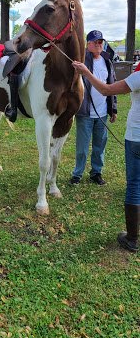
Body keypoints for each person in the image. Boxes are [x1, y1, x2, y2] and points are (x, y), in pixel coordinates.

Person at [72, 59, 140, 253]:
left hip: (137, 138)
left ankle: (132, 239)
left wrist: (86, 72)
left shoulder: (138, 77)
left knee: (135, 185)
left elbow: (106, 90)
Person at [70, 30, 117, 186]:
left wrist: (113, 109)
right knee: (82, 147)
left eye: (100, 42)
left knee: (99, 146)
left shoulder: (107, 61)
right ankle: (77, 174)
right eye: (95, 42)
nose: (99, 45)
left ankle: (96, 173)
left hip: (102, 113)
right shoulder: (81, 60)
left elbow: (112, 84)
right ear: (88, 44)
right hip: (85, 113)